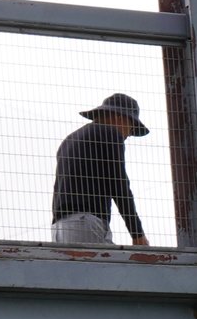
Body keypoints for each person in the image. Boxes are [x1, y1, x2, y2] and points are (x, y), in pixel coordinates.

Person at [51, 93, 151, 247]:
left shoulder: (69, 140)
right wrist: (137, 234)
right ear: (119, 117)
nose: (129, 134)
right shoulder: (109, 133)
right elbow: (119, 184)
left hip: (60, 227)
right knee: (107, 270)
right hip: (85, 222)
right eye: (131, 127)